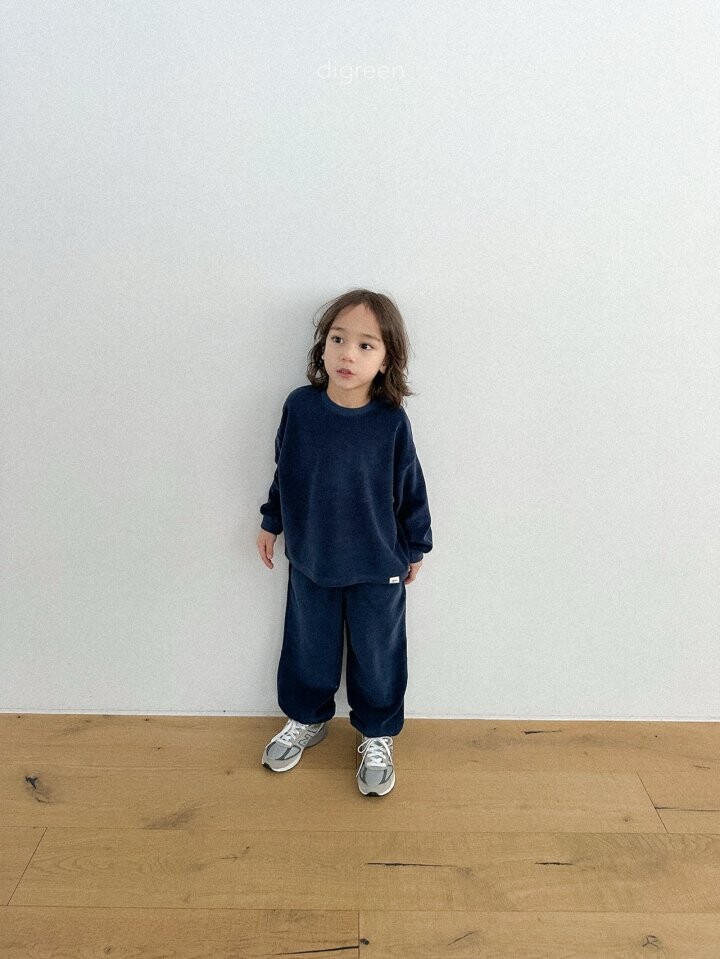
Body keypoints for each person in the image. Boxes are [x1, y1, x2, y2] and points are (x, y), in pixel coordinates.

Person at [256, 289, 433, 796]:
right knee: (308, 646)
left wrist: (416, 546)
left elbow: (411, 488)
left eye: (365, 345)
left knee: (378, 656)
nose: (347, 354)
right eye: (337, 339)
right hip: (312, 558)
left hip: (379, 565)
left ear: (386, 360)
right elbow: (285, 470)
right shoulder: (300, 408)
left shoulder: (391, 422)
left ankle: (377, 733)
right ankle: (307, 719)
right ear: (323, 345)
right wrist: (272, 520)